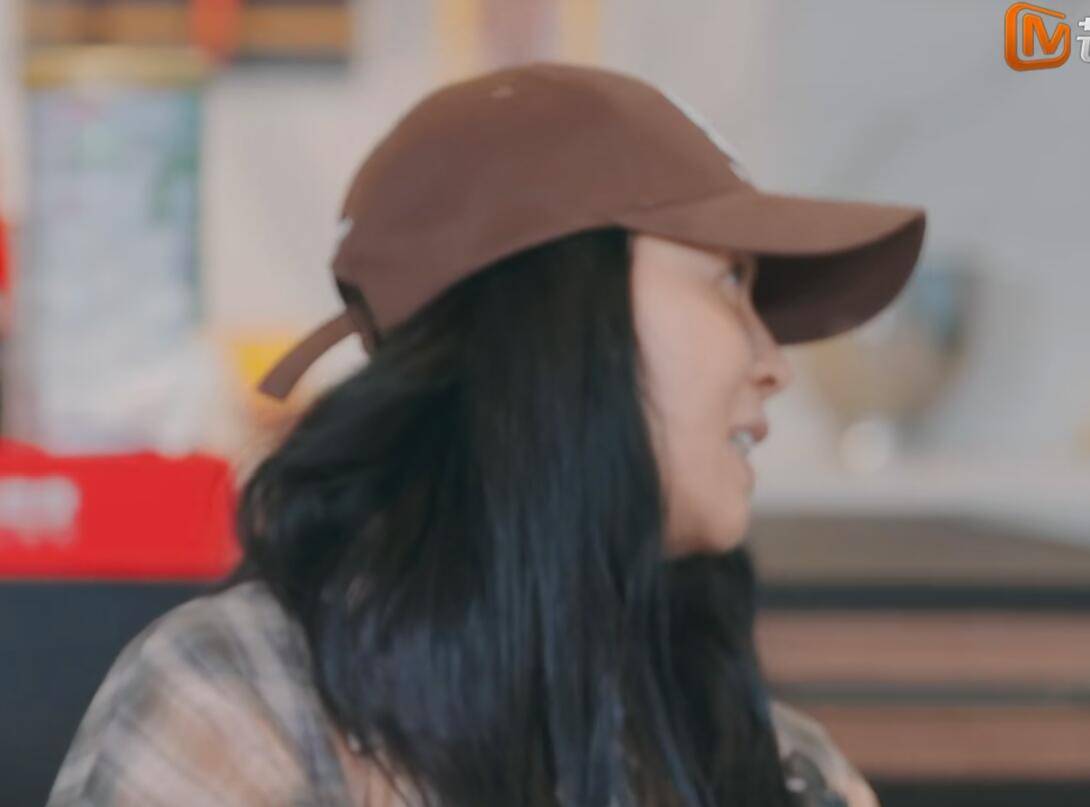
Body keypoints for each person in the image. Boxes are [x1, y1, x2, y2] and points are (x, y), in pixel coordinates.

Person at [47, 61, 925, 807]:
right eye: (729, 280)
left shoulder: (779, 764)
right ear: (551, 322)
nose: (773, 361)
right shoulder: (237, 702)